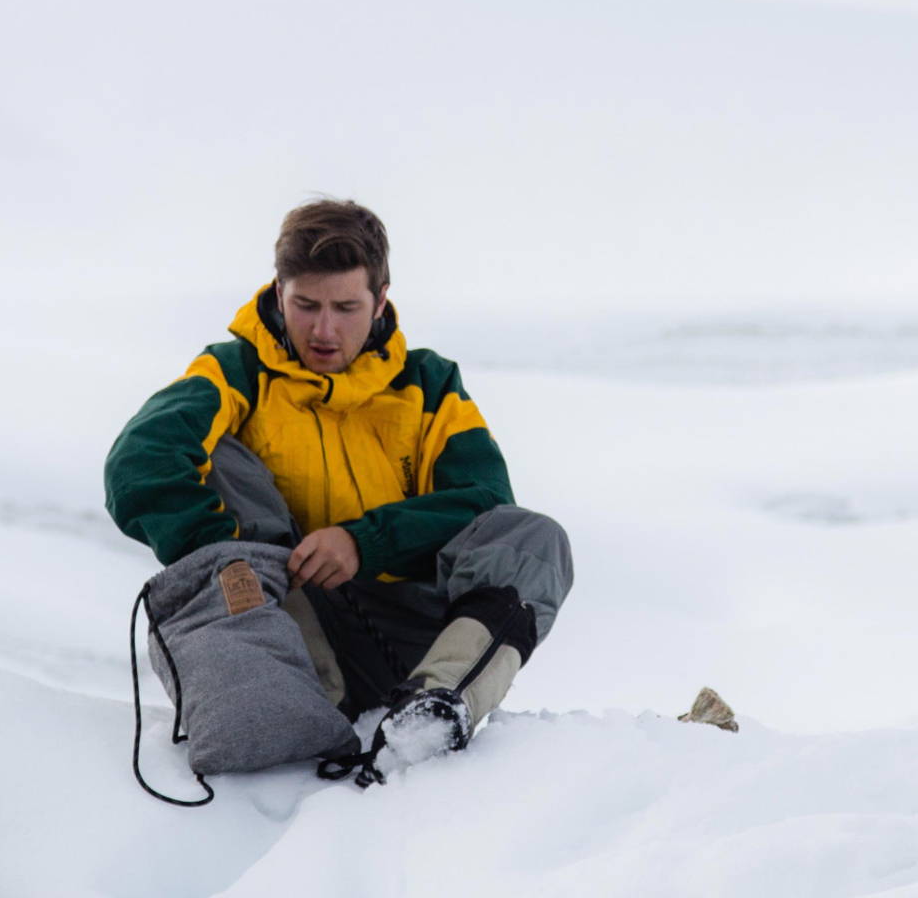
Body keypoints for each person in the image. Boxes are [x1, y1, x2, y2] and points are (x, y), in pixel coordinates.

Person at [104, 198, 572, 774]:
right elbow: (139, 463)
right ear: (279, 293)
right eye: (306, 305)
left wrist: (363, 542)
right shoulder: (233, 372)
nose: (324, 330)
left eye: (346, 307)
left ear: (380, 301)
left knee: (533, 538)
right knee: (218, 456)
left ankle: (434, 712)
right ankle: (296, 701)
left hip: (414, 637)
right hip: (284, 625)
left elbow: (483, 504)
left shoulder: (430, 384)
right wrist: (230, 558)